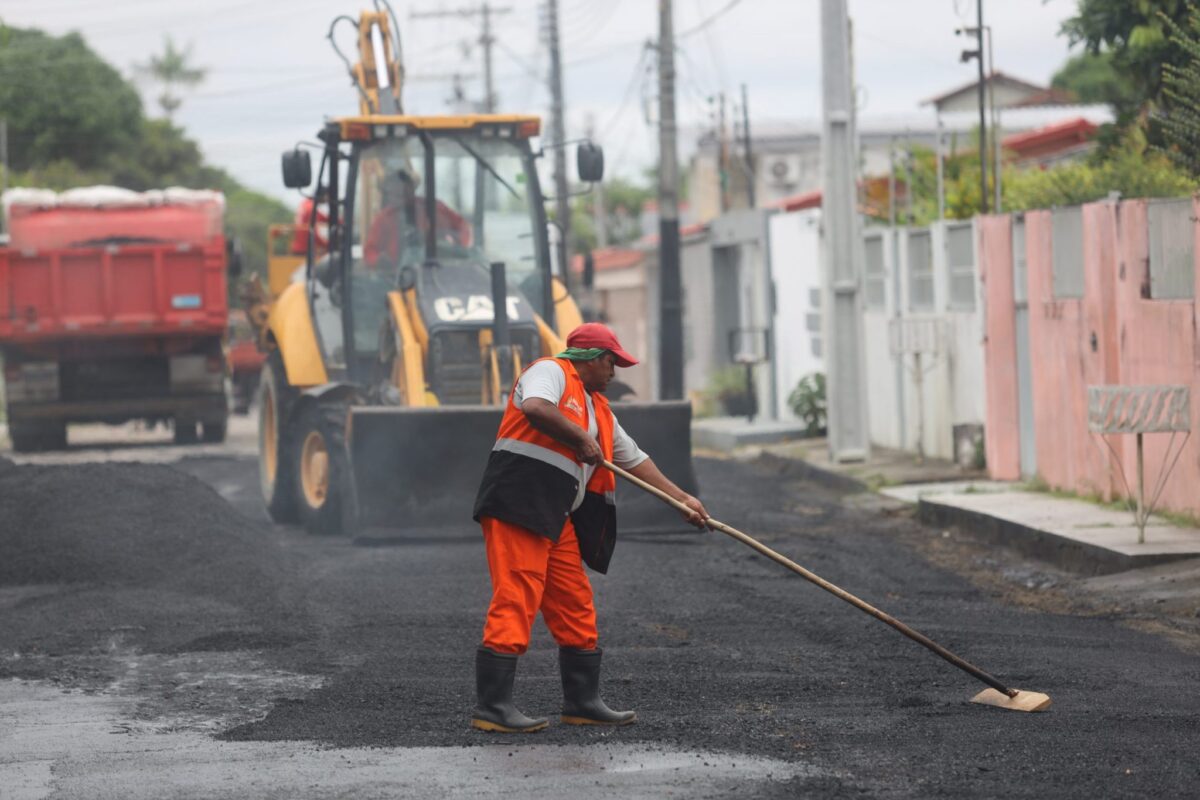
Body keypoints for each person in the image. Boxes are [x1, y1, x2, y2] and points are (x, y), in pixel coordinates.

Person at [471, 322, 708, 733]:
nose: (615, 372)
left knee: (574, 601)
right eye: (612, 363)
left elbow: (635, 460)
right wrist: (579, 437)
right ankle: (492, 707)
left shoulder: (600, 409)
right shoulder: (549, 372)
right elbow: (536, 409)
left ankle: (582, 701)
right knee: (518, 592)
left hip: (556, 513)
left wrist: (680, 499)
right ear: (594, 358)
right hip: (518, 504)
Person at [363, 168, 472, 269]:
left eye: (404, 190)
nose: (400, 195)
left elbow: (462, 228)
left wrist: (453, 241)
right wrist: (378, 261)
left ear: (412, 189)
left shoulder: (434, 208)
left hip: (435, 271)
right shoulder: (384, 219)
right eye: (394, 192)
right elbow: (370, 251)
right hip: (396, 277)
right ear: (389, 194)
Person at [289, 186, 329, 256]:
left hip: (298, 247)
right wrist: (327, 244)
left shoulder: (305, 204)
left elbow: (323, 218)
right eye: (328, 196)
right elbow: (314, 234)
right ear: (323, 195)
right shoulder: (311, 209)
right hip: (305, 250)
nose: (328, 199)